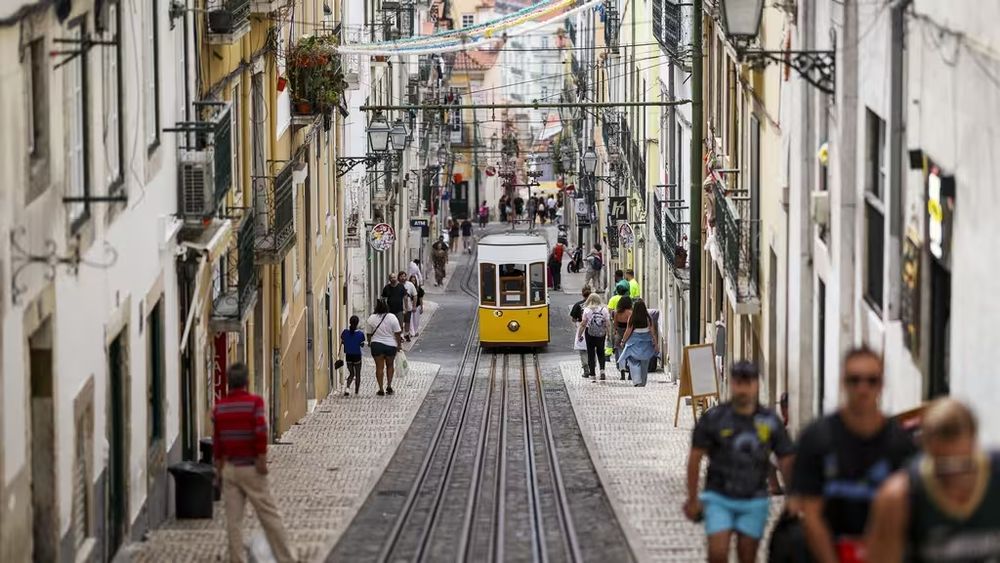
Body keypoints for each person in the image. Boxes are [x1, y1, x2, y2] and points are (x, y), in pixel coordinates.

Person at [791, 347, 917, 563]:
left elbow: (907, 516)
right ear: (843, 383)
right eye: (854, 380)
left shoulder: (900, 444)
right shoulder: (816, 438)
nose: (862, 389)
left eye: (871, 381)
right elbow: (811, 515)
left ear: (881, 385)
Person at [684, 361, 795, 563]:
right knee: (717, 553)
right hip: (718, 496)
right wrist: (692, 498)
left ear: (756, 384)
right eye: (738, 383)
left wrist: (794, 496)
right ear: (732, 383)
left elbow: (786, 459)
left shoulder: (770, 421)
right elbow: (695, 458)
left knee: (747, 555)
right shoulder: (714, 418)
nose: (743, 389)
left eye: (748, 383)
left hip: (754, 498)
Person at [866, 398, 1000, 563]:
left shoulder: (995, 478)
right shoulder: (899, 496)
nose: (955, 479)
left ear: (975, 444)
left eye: (963, 467)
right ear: (927, 451)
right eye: (944, 470)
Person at [213, 363, 296, 563]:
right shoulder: (254, 403)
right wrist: (262, 460)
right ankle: (286, 558)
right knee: (269, 515)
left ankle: (237, 559)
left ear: (228, 383)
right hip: (251, 468)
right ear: (247, 382)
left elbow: (218, 444)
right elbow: (260, 432)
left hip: (230, 469)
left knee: (233, 521)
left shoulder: (219, 408)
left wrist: (219, 471)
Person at [617, 299, 659, 387]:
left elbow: (628, 331)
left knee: (633, 361)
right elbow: (653, 332)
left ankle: (636, 380)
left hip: (634, 343)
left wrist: (623, 341)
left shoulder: (632, 318)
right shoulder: (648, 318)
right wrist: (656, 344)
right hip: (646, 343)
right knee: (645, 363)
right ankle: (643, 382)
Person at [366, 299, 403, 396]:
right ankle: (389, 386)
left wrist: (369, 342)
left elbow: (368, 334)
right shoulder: (392, 317)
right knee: (390, 366)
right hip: (390, 345)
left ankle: (381, 389)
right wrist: (399, 345)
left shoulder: (371, 318)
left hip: (377, 345)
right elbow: (398, 333)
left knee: (379, 367)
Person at [576, 293, 612, 380]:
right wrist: (608, 334)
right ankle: (602, 371)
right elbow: (607, 324)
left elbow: (583, 324)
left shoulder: (587, 310)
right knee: (601, 352)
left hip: (589, 333)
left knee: (591, 353)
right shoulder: (604, 309)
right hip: (601, 333)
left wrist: (579, 335)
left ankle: (592, 373)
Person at [570, 286, 593, 376]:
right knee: (592, 349)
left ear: (582, 294)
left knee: (583, 350)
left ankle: (586, 369)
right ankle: (592, 368)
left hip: (582, 329)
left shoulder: (578, 305)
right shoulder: (595, 305)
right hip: (593, 328)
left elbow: (573, 319)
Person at [610, 292, 633, 380]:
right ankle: (630, 373)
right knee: (630, 353)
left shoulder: (616, 312)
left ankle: (622, 372)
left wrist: (615, 332)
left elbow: (615, 324)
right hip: (629, 335)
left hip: (619, 334)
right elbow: (630, 325)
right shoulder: (630, 313)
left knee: (620, 354)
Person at [341, 316, 365, 396]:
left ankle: (347, 388)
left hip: (348, 355)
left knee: (351, 373)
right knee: (357, 374)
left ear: (350, 322)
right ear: (357, 323)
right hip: (357, 355)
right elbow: (362, 345)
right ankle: (356, 391)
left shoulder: (345, 332)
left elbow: (343, 341)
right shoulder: (360, 334)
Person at [399, 272, 417, 342]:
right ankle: (401, 335)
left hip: (408, 306)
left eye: (404, 276)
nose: (403, 278)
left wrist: (414, 306)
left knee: (407, 321)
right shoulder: (397, 284)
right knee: (400, 321)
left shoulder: (410, 285)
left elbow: (415, 295)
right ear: (399, 277)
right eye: (401, 276)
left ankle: (406, 334)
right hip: (399, 306)